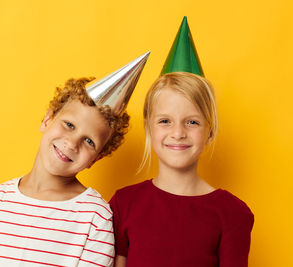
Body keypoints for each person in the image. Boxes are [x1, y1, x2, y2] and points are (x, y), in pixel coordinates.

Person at [0, 52, 150, 267]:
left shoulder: (95, 217)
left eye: (88, 141)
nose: (71, 143)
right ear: (47, 119)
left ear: (96, 159)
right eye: (69, 125)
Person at [109, 18, 254, 267]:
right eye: (165, 121)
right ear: (148, 128)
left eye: (192, 122)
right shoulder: (124, 204)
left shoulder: (232, 213)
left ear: (210, 131)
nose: (178, 133)